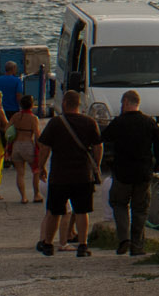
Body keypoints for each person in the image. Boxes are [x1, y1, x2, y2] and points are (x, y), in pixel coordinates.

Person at [35, 90, 102, 257]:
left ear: (64, 103)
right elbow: (98, 146)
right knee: (81, 211)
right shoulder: (89, 122)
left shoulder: (56, 123)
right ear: (79, 104)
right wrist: (96, 166)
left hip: (59, 175)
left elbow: (44, 147)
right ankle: (82, 245)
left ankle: (49, 244)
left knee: (55, 211)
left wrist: (41, 167)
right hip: (82, 174)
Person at [101, 89, 159, 257]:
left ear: (125, 103)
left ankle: (124, 239)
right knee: (140, 209)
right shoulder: (149, 122)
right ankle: (137, 245)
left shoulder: (118, 122)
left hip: (122, 172)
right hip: (143, 172)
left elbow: (104, 138)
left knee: (119, 204)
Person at [8, 93, 44, 203]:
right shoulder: (33, 118)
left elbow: (8, 130)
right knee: (36, 171)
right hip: (28, 145)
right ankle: (36, 194)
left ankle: (23, 197)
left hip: (16, 145)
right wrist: (41, 149)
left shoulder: (15, 116)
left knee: (20, 173)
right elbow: (37, 135)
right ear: (32, 105)